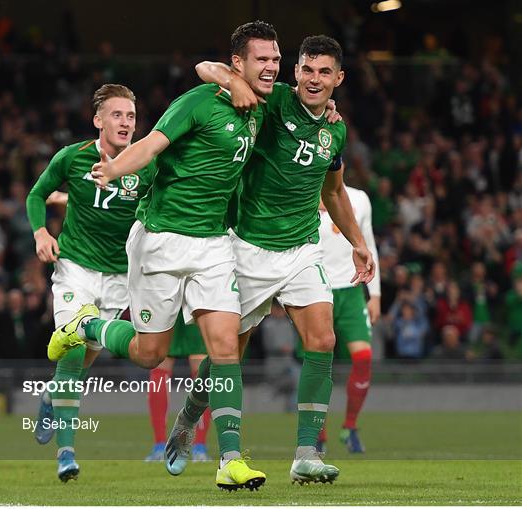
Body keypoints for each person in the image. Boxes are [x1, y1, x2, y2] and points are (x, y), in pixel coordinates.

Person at [48, 20, 280, 491]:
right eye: (262, 60)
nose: (272, 68)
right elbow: (151, 145)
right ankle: (85, 325)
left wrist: (328, 109)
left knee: (226, 347)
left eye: (276, 59)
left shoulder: (264, 102)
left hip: (214, 244)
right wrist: (113, 169)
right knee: (149, 356)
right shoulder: (196, 103)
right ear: (239, 63)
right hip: (160, 241)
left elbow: (303, 99)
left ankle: (230, 458)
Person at [170, 32, 375, 485]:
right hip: (247, 248)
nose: (314, 79)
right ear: (295, 71)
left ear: (339, 78)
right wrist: (232, 78)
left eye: (324, 72)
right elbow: (206, 69)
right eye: (306, 69)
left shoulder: (335, 129)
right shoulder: (273, 100)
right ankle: (188, 419)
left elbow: (334, 190)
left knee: (322, 339)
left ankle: (305, 453)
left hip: (302, 248)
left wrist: (358, 242)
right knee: (228, 355)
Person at [25, 84, 158, 482]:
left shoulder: (147, 165)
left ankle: (50, 396)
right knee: (71, 353)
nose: (125, 123)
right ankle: (66, 454)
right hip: (76, 269)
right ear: (98, 120)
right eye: (117, 115)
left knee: (82, 362)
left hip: (120, 277)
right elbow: (37, 194)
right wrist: (41, 233)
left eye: (131, 116)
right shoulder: (73, 157)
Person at [314, 183, 381, 454]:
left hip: (353, 290)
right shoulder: (303, 191)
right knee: (318, 363)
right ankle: (317, 435)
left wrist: (374, 294)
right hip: (317, 288)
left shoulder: (359, 198)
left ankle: (350, 426)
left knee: (363, 358)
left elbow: (368, 242)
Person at [145, 313, 211, 462]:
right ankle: (199, 448)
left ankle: (160, 446)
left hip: (167, 295)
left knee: (160, 365)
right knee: (201, 369)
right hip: (196, 294)